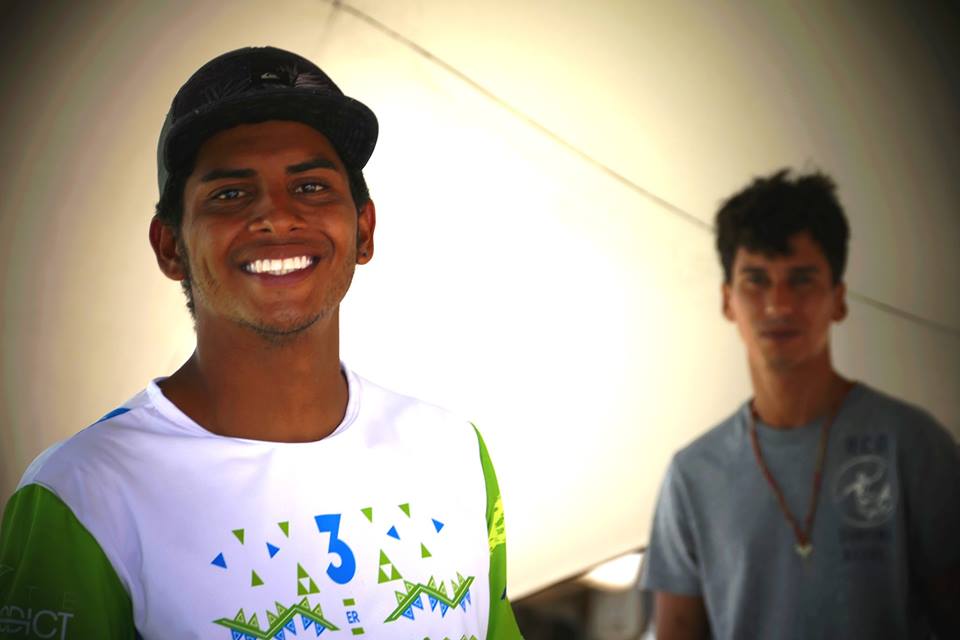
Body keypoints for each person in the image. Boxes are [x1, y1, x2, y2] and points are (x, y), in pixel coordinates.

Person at [0, 46, 523, 640]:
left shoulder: (452, 451)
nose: (276, 216)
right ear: (170, 247)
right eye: (230, 194)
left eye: (311, 186)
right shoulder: (83, 491)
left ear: (364, 229)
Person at [640, 169, 960, 639]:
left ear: (839, 299)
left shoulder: (912, 445)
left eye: (802, 280)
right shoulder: (693, 476)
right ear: (727, 301)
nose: (778, 304)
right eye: (756, 280)